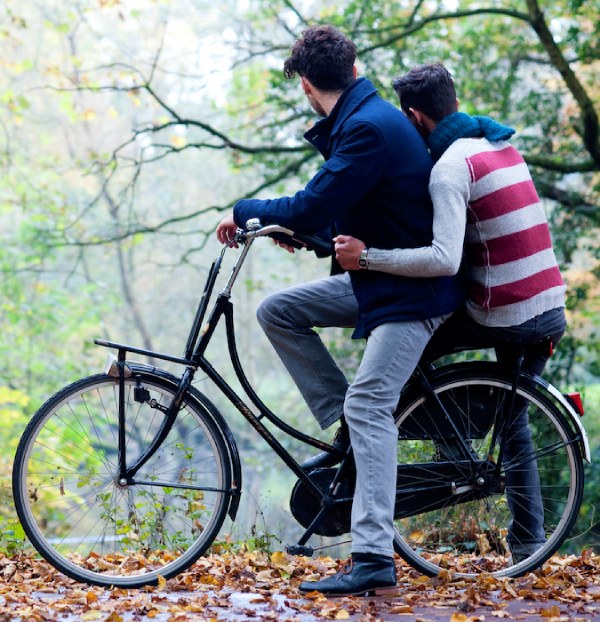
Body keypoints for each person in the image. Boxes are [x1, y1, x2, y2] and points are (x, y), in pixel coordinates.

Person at [216, 27, 463, 595]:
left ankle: (373, 555)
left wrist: (248, 210)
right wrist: (305, 234)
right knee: (280, 311)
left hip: (410, 294)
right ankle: (347, 429)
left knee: (371, 402)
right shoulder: (365, 118)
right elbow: (350, 206)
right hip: (377, 281)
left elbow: (311, 202)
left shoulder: (366, 129)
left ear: (306, 84)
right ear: (351, 68)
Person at [335, 62, 567, 564]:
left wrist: (368, 257)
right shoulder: (497, 144)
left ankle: (444, 459)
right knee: (513, 418)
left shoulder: (448, 169)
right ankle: (529, 543)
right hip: (550, 307)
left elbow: (444, 259)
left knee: (409, 339)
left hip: (505, 313)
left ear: (414, 116)